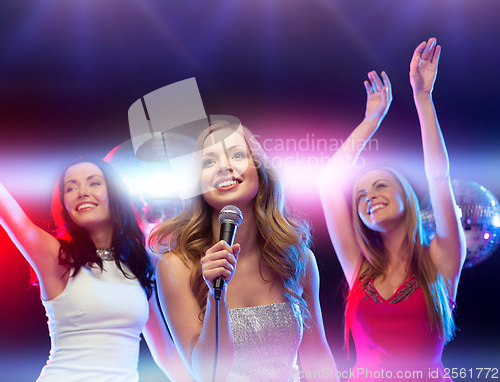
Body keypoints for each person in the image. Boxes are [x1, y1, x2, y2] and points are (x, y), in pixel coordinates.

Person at [317, 38, 466, 381]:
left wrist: (423, 99)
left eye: (381, 185)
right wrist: (371, 120)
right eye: (360, 195)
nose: (369, 196)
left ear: (406, 197)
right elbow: (327, 182)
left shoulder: (440, 260)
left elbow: (438, 176)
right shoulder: (359, 269)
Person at [149, 121, 338, 382]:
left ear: (259, 170)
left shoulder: (298, 258)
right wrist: (217, 297)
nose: (224, 166)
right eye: (208, 162)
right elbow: (207, 374)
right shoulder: (175, 266)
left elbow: (318, 355)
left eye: (237, 154)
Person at [0, 156, 191, 382]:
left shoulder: (140, 266)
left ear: (114, 194)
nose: (82, 192)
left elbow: (167, 354)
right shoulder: (56, 257)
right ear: (64, 203)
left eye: (94, 183)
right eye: (70, 188)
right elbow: (11, 215)